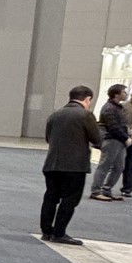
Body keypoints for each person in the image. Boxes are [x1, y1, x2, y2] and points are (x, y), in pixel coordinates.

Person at [41, 85, 103, 243]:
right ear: (87, 99)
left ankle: (46, 231)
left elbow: (48, 138)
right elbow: (97, 139)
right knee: (70, 199)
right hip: (75, 166)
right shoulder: (85, 115)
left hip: (52, 163)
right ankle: (59, 233)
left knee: (51, 197)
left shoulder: (55, 114)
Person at [90, 84, 130, 200]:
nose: (125, 94)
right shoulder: (109, 108)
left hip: (119, 140)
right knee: (104, 166)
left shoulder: (118, 107)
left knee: (119, 167)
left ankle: (107, 190)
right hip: (111, 139)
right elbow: (113, 127)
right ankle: (96, 191)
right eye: (123, 92)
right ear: (116, 95)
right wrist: (126, 138)